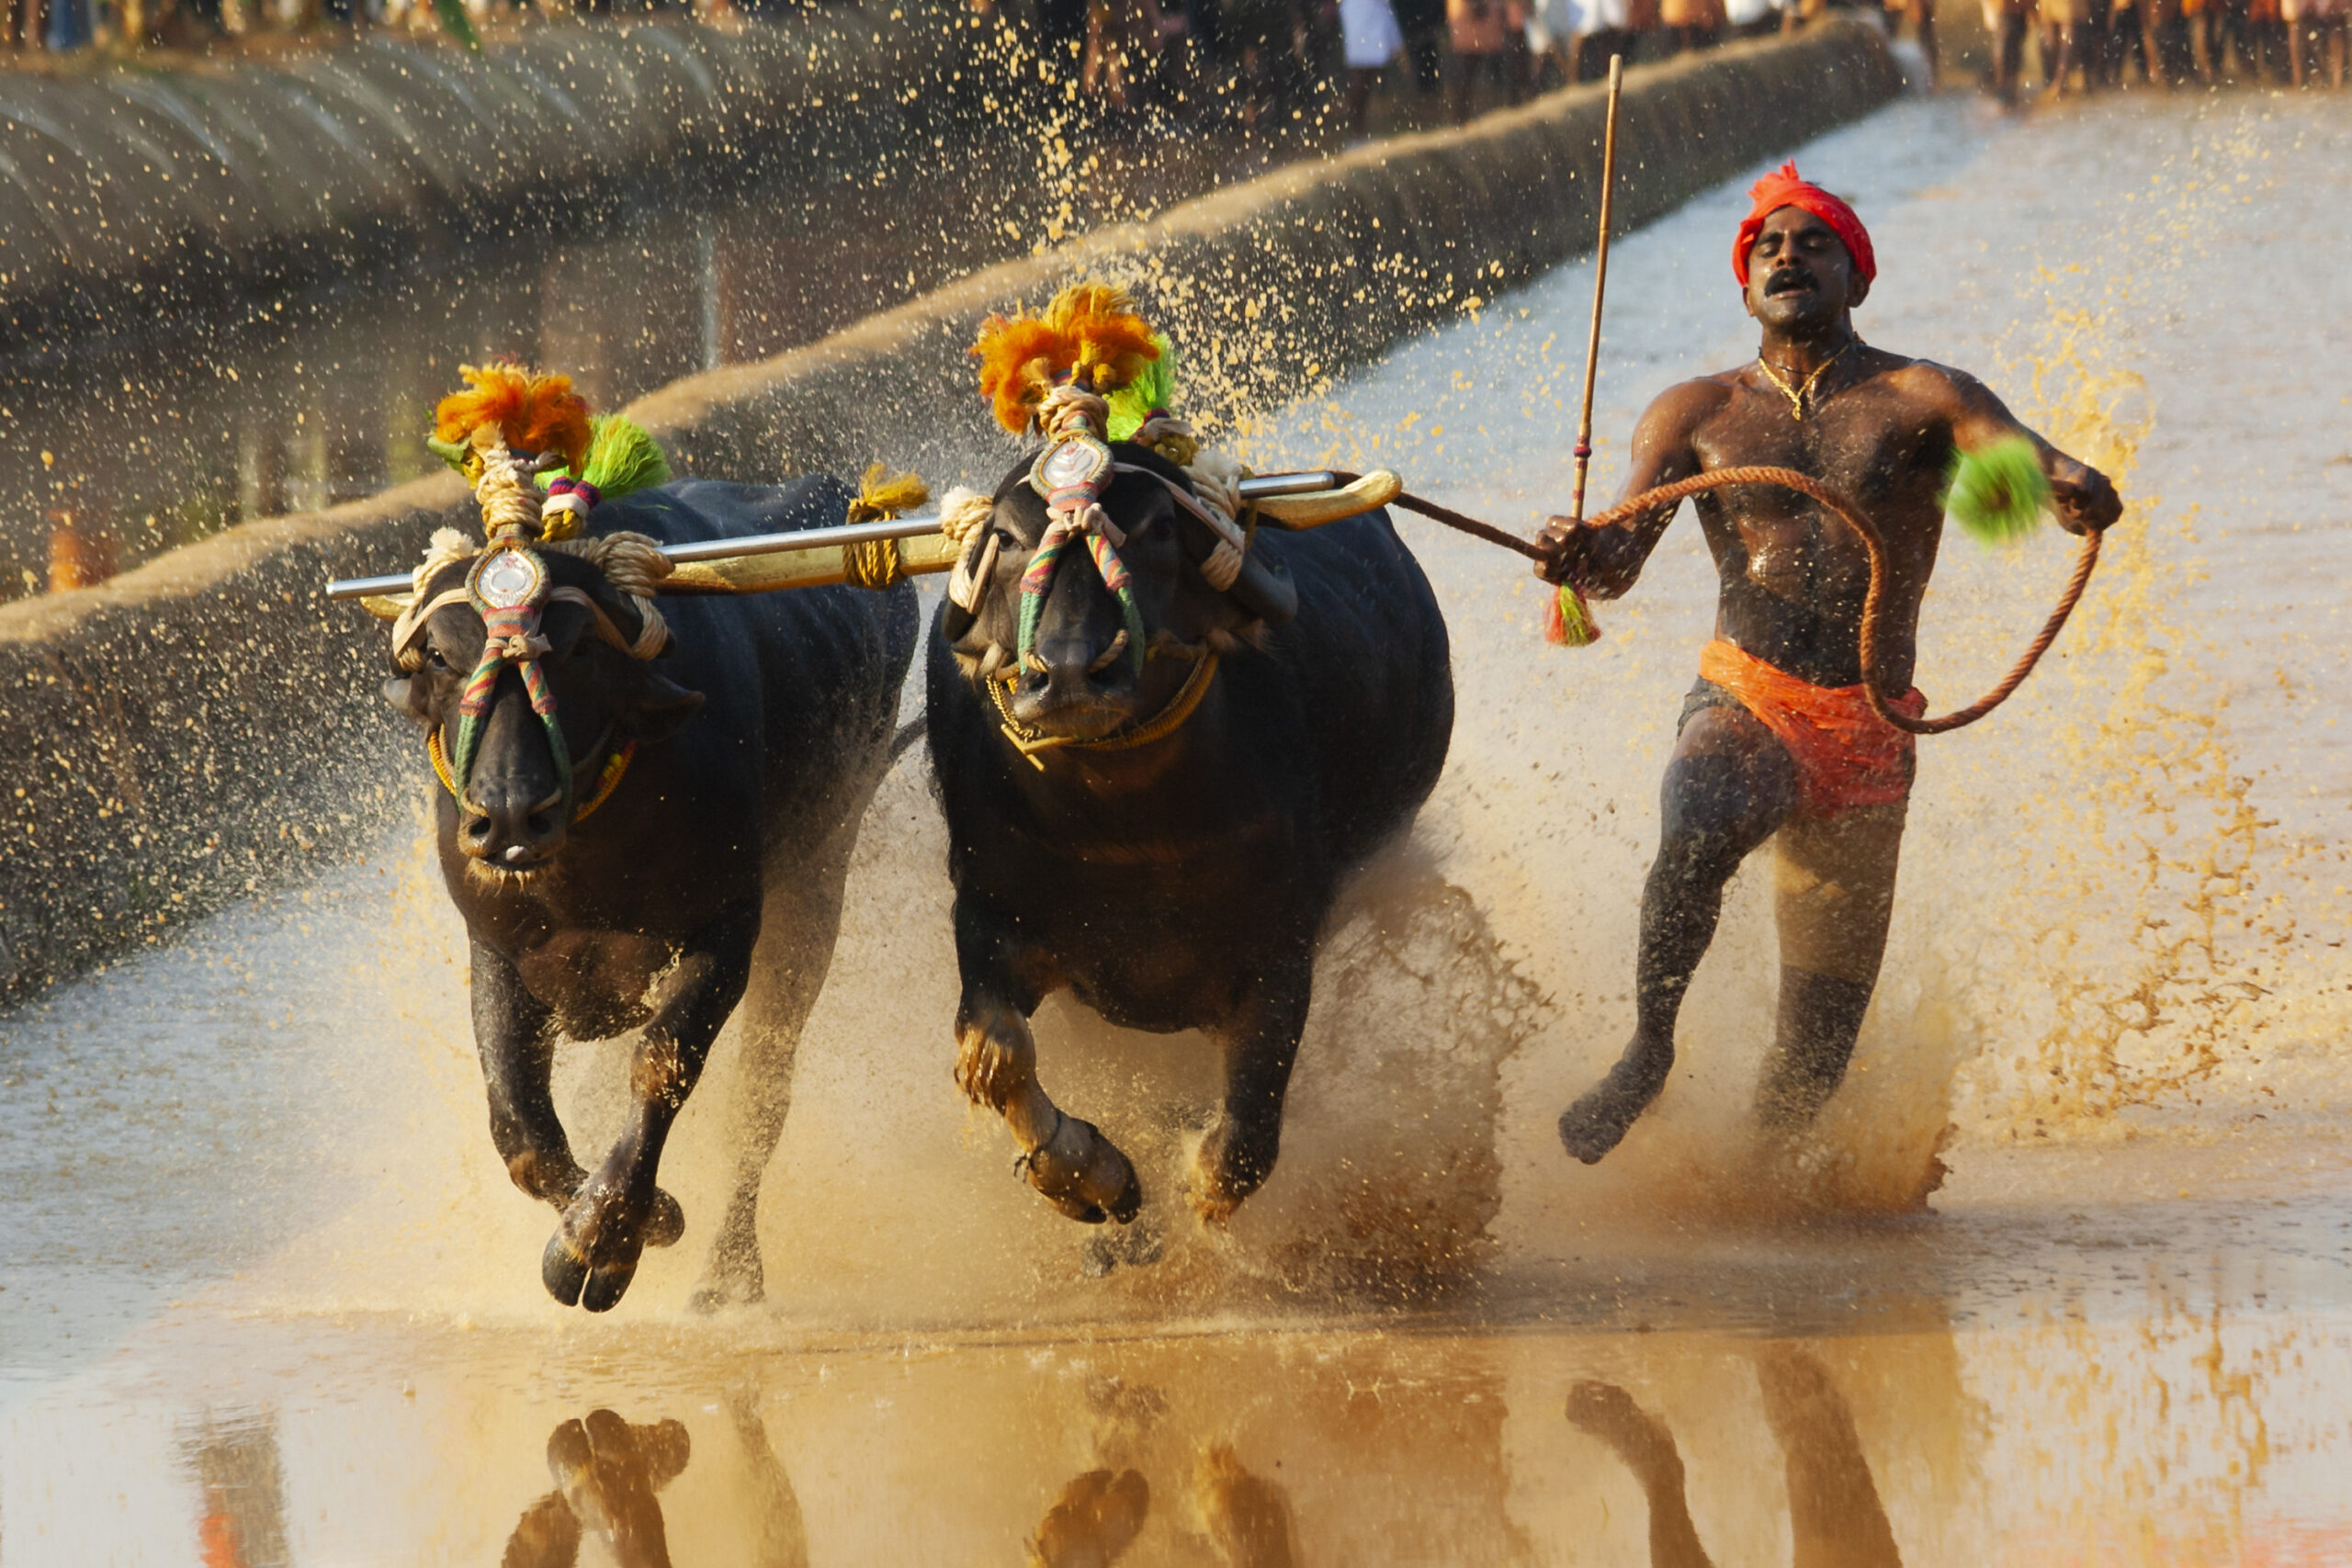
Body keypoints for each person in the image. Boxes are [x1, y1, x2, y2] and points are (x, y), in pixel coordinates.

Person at [1533, 164, 2120, 1163]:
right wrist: (1581, 554)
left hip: (1869, 726)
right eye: (1767, 247)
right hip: (1747, 694)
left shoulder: (1922, 395)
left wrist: (2071, 483)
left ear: (1856, 277)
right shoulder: (1694, 413)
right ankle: (1648, 1047)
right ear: (1745, 285)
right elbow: (1621, 559)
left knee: (1809, 1065)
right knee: (1700, 818)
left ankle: (1763, 1207)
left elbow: (2025, 464)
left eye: (1813, 245)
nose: (1787, 257)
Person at [1340, 0, 1408, 132]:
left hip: (1376, 20)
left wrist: (1399, 48)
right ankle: (1357, 131)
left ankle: (1368, 129)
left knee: (1372, 81)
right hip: (1359, 22)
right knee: (1359, 82)